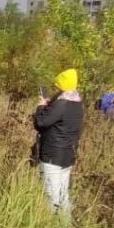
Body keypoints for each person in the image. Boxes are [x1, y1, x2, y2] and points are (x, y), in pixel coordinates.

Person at [33, 69, 84, 215]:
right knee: (64, 196)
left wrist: (41, 106)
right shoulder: (77, 104)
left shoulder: (61, 104)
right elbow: (60, 120)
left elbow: (41, 123)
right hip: (68, 155)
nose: (56, 89)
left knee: (52, 198)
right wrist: (50, 105)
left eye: (57, 86)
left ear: (62, 86)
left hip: (53, 156)